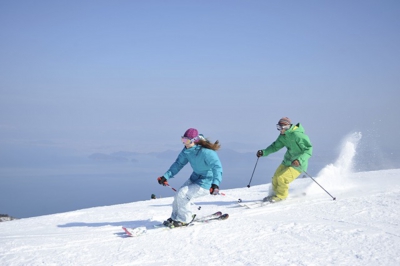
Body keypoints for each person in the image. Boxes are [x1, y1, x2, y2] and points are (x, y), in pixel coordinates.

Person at [157, 128, 223, 227]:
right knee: (179, 194)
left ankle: (185, 219)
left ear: (194, 140)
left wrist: (215, 184)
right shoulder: (187, 150)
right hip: (195, 177)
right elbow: (178, 164)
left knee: (183, 194)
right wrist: (166, 176)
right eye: (183, 140)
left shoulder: (206, 152)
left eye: (186, 141)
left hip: (207, 181)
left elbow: (217, 167)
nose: (184, 143)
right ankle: (175, 217)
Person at [256, 117, 312, 203]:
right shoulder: (283, 136)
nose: (279, 130)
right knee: (275, 177)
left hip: (298, 164)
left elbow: (308, 149)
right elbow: (275, 146)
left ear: (286, 126)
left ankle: (281, 196)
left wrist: (299, 160)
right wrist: (263, 152)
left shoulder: (298, 135)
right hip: (287, 161)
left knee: (282, 178)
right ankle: (274, 194)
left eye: (280, 127)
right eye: (278, 127)